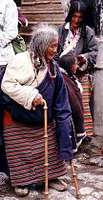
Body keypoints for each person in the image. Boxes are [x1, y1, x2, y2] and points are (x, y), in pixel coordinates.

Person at [0, 24, 73, 197]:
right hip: (17, 120)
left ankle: (51, 177)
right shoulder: (20, 61)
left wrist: (66, 132)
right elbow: (7, 85)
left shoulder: (53, 68)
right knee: (20, 153)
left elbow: (61, 101)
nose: (56, 50)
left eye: (57, 45)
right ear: (42, 44)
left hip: (43, 121)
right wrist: (31, 95)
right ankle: (21, 181)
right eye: (52, 46)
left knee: (49, 151)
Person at [57, 0, 98, 136]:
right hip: (63, 74)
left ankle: (84, 134)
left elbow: (93, 52)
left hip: (81, 73)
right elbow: (55, 52)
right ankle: (69, 135)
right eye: (74, 16)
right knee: (66, 104)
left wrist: (83, 59)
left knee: (82, 106)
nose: (76, 20)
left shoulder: (87, 32)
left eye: (80, 17)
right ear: (70, 15)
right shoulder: (62, 31)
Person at [59, 53, 86, 152]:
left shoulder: (69, 79)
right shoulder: (64, 80)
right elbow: (75, 104)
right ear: (68, 66)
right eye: (75, 64)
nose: (77, 66)